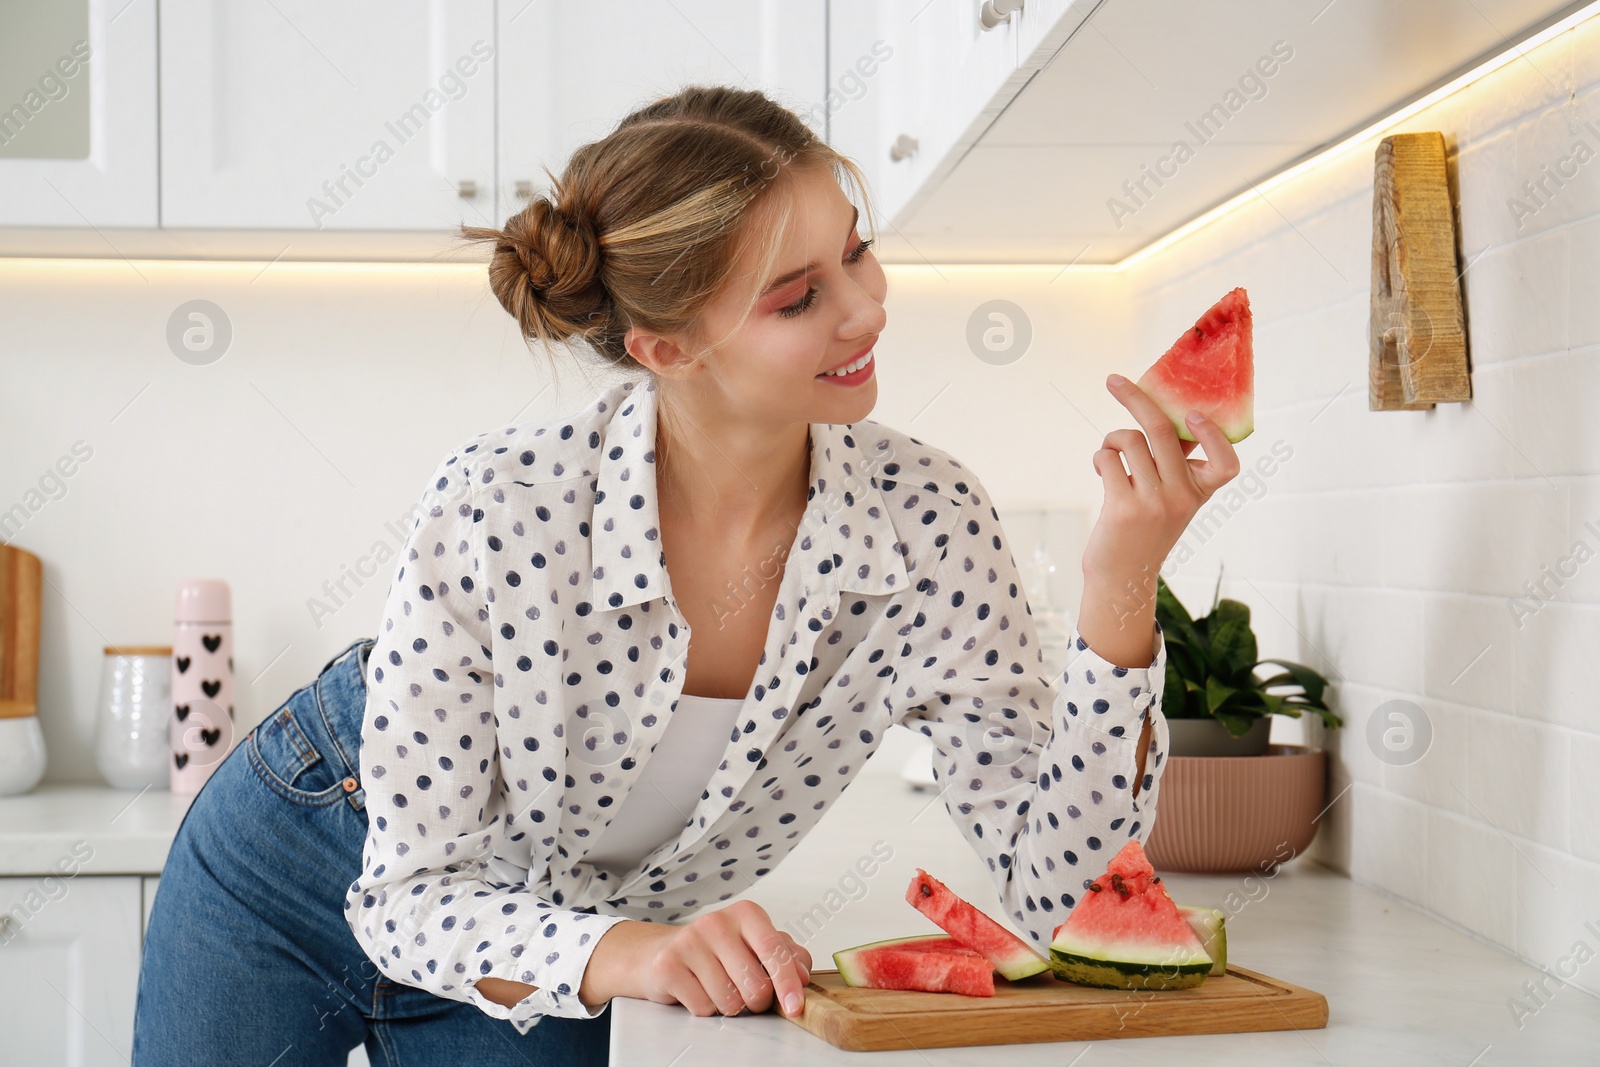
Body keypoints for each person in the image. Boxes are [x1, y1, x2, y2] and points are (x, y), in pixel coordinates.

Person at [135, 82, 1239, 1064]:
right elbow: (410, 895)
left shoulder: (929, 525)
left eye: (855, 250)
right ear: (666, 347)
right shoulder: (500, 505)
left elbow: (1065, 900)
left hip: (566, 917)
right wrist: (642, 951)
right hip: (304, 855)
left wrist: (1120, 586)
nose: (865, 307)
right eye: (797, 296)